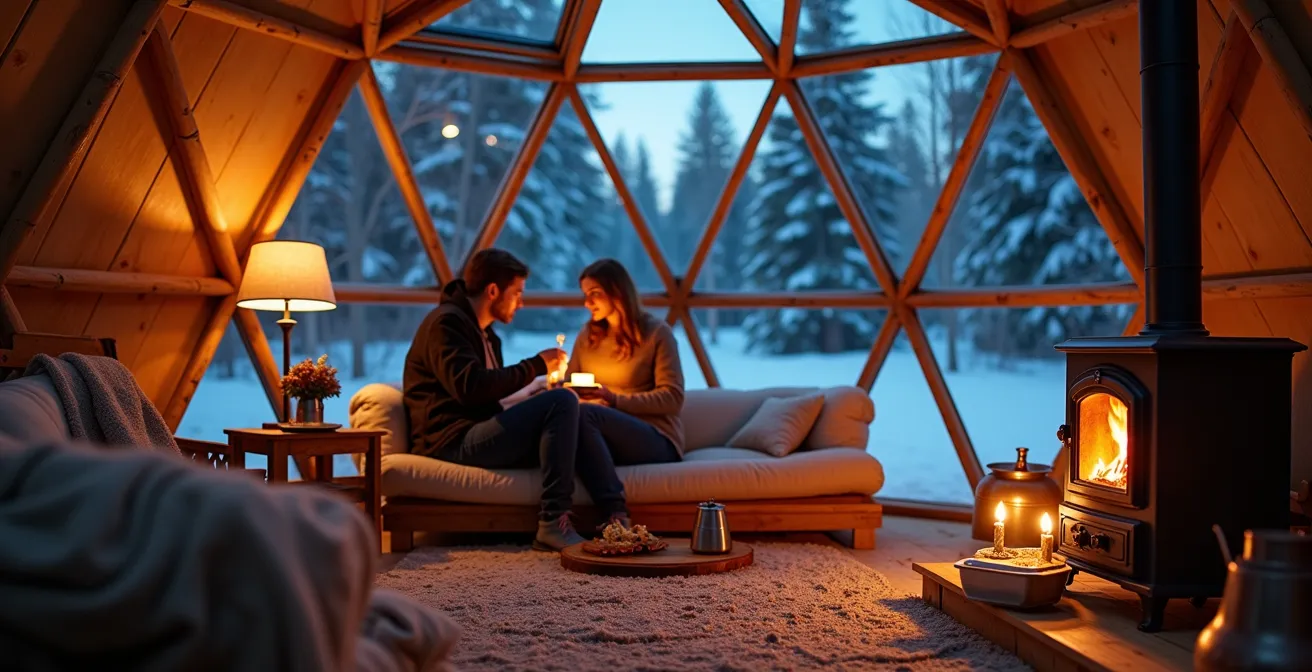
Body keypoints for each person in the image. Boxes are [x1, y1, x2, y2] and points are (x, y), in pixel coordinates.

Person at [402, 248, 628, 551]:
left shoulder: (487, 335)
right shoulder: (446, 324)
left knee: (568, 407)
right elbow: (469, 387)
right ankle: (552, 522)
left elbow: (488, 396)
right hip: (450, 440)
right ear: (493, 291)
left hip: (475, 429)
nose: (521, 302)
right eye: (517, 292)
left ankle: (616, 515)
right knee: (562, 401)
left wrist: (531, 393)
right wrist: (536, 365)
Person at [565, 259, 685, 519]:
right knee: (570, 417)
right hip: (598, 433)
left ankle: (616, 513)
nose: (587, 303)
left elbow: (673, 398)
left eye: (594, 294)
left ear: (617, 291)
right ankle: (556, 519)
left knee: (586, 416)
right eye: (585, 295)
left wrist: (614, 400)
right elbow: (569, 384)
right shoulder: (588, 336)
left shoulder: (656, 334)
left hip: (655, 438)